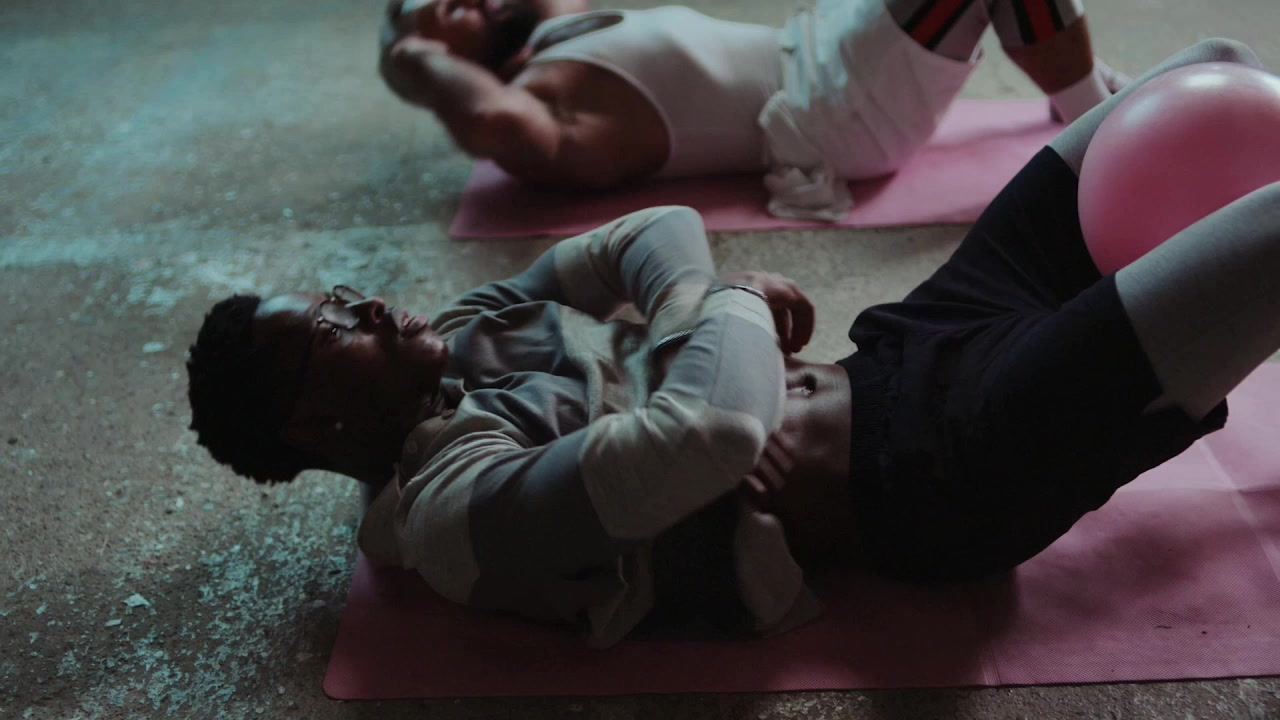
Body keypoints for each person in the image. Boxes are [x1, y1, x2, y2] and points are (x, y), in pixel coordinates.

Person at [189, 38, 1276, 646]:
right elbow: (709, 435)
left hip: (905, 343)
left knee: (1208, 69)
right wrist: (731, 302)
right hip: (945, 468)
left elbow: (651, 233)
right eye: (333, 325)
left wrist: (694, 319)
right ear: (314, 424)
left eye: (344, 294)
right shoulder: (456, 515)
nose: (370, 305)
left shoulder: (461, 335)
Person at [377, 0, 1129, 219]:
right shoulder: (541, 99)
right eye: (445, 9)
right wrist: (410, 60)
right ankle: (1105, 127)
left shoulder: (556, 33)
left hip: (826, 54)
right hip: (835, 111)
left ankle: (1087, 89)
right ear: (438, 58)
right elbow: (494, 124)